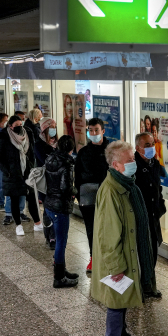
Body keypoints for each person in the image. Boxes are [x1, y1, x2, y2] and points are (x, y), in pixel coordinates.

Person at [91, 141, 148, 336]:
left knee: (123, 297)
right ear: (116, 165)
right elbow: (108, 234)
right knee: (116, 300)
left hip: (126, 252)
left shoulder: (124, 185)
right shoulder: (111, 191)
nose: (134, 163)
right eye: (130, 160)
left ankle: (122, 335)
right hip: (116, 257)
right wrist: (115, 266)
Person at [0, 115, 43, 236]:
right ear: (10, 126)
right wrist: (8, 171)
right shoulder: (4, 138)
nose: (20, 127)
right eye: (16, 126)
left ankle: (37, 223)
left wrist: (32, 167)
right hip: (13, 175)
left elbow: (31, 153)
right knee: (14, 200)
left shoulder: (28, 135)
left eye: (21, 124)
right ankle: (18, 225)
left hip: (27, 173)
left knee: (32, 199)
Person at [75, 118, 111, 273]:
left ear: (103, 131)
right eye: (90, 130)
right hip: (88, 196)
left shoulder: (112, 151)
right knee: (91, 229)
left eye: (96, 130)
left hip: (108, 195)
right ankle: (93, 258)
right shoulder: (83, 152)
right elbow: (77, 175)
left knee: (109, 228)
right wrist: (79, 193)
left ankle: (109, 259)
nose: (93, 133)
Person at [134, 132, 166, 299]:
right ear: (138, 148)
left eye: (152, 143)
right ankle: (143, 285)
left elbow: (157, 187)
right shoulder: (133, 165)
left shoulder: (155, 163)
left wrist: (160, 206)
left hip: (153, 214)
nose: (151, 147)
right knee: (142, 252)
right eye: (147, 145)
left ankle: (149, 284)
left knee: (153, 250)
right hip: (141, 215)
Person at [45, 135, 79, 288]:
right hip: (60, 206)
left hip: (50, 203)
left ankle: (62, 270)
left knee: (59, 239)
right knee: (61, 241)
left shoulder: (50, 158)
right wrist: (76, 191)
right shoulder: (67, 163)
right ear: (71, 149)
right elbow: (66, 188)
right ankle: (59, 278)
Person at [35, 117, 58, 249]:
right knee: (48, 209)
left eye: (55, 126)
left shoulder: (57, 143)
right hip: (45, 182)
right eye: (52, 126)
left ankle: (54, 235)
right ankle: (50, 236)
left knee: (54, 209)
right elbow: (46, 162)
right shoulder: (39, 144)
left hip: (56, 182)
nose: (54, 129)